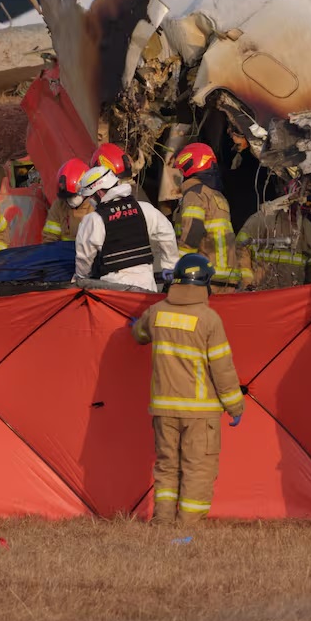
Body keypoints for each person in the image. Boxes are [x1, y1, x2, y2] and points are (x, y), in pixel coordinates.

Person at [131, 254, 243, 524]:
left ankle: (163, 522)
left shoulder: (157, 312)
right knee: (198, 469)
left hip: (163, 410)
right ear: (204, 283)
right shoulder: (209, 319)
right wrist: (235, 406)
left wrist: (139, 326)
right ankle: (187, 529)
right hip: (199, 413)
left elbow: (139, 335)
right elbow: (222, 369)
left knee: (167, 467)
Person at [73, 165, 177, 291]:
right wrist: (170, 265)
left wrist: (81, 277)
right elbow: (166, 233)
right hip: (147, 287)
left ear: (99, 193)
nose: (91, 201)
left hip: (112, 290)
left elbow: (84, 257)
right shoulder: (144, 209)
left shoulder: (93, 220)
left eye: (91, 197)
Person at [171, 142, 240, 291]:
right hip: (227, 277)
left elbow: (192, 233)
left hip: (206, 277)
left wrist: (179, 269)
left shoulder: (194, 195)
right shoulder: (216, 195)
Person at [235, 181, 311, 290]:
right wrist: (247, 285)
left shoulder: (308, 230)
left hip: (292, 302)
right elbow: (241, 248)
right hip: (260, 297)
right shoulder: (263, 219)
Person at [41, 158, 93, 243]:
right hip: (64, 255)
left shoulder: (96, 206)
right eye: (67, 197)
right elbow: (49, 239)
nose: (70, 200)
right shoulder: (59, 206)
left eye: (74, 195)